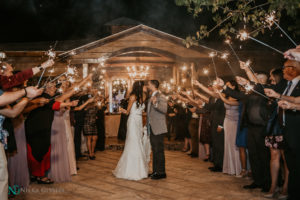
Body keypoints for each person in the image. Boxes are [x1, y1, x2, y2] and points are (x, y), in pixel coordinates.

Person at [113, 81, 149, 180]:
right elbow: (142, 111)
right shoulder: (144, 96)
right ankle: (140, 169)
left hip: (133, 120)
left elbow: (127, 112)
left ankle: (130, 169)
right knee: (137, 141)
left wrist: (120, 109)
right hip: (139, 120)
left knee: (132, 141)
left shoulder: (133, 96)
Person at [216, 80, 241, 176]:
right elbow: (215, 96)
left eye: (228, 85)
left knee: (235, 145)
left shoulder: (239, 97)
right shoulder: (225, 95)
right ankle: (228, 168)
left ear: (234, 87)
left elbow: (227, 102)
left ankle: (237, 168)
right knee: (227, 144)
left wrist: (219, 92)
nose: (225, 87)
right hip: (227, 121)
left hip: (235, 122)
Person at [147, 80, 168, 180]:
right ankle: (155, 171)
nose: (147, 86)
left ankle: (161, 172)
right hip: (152, 127)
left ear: (153, 85)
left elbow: (164, 110)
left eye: (149, 84)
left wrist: (155, 103)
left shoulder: (161, 96)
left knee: (159, 150)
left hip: (159, 127)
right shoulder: (151, 95)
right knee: (154, 150)